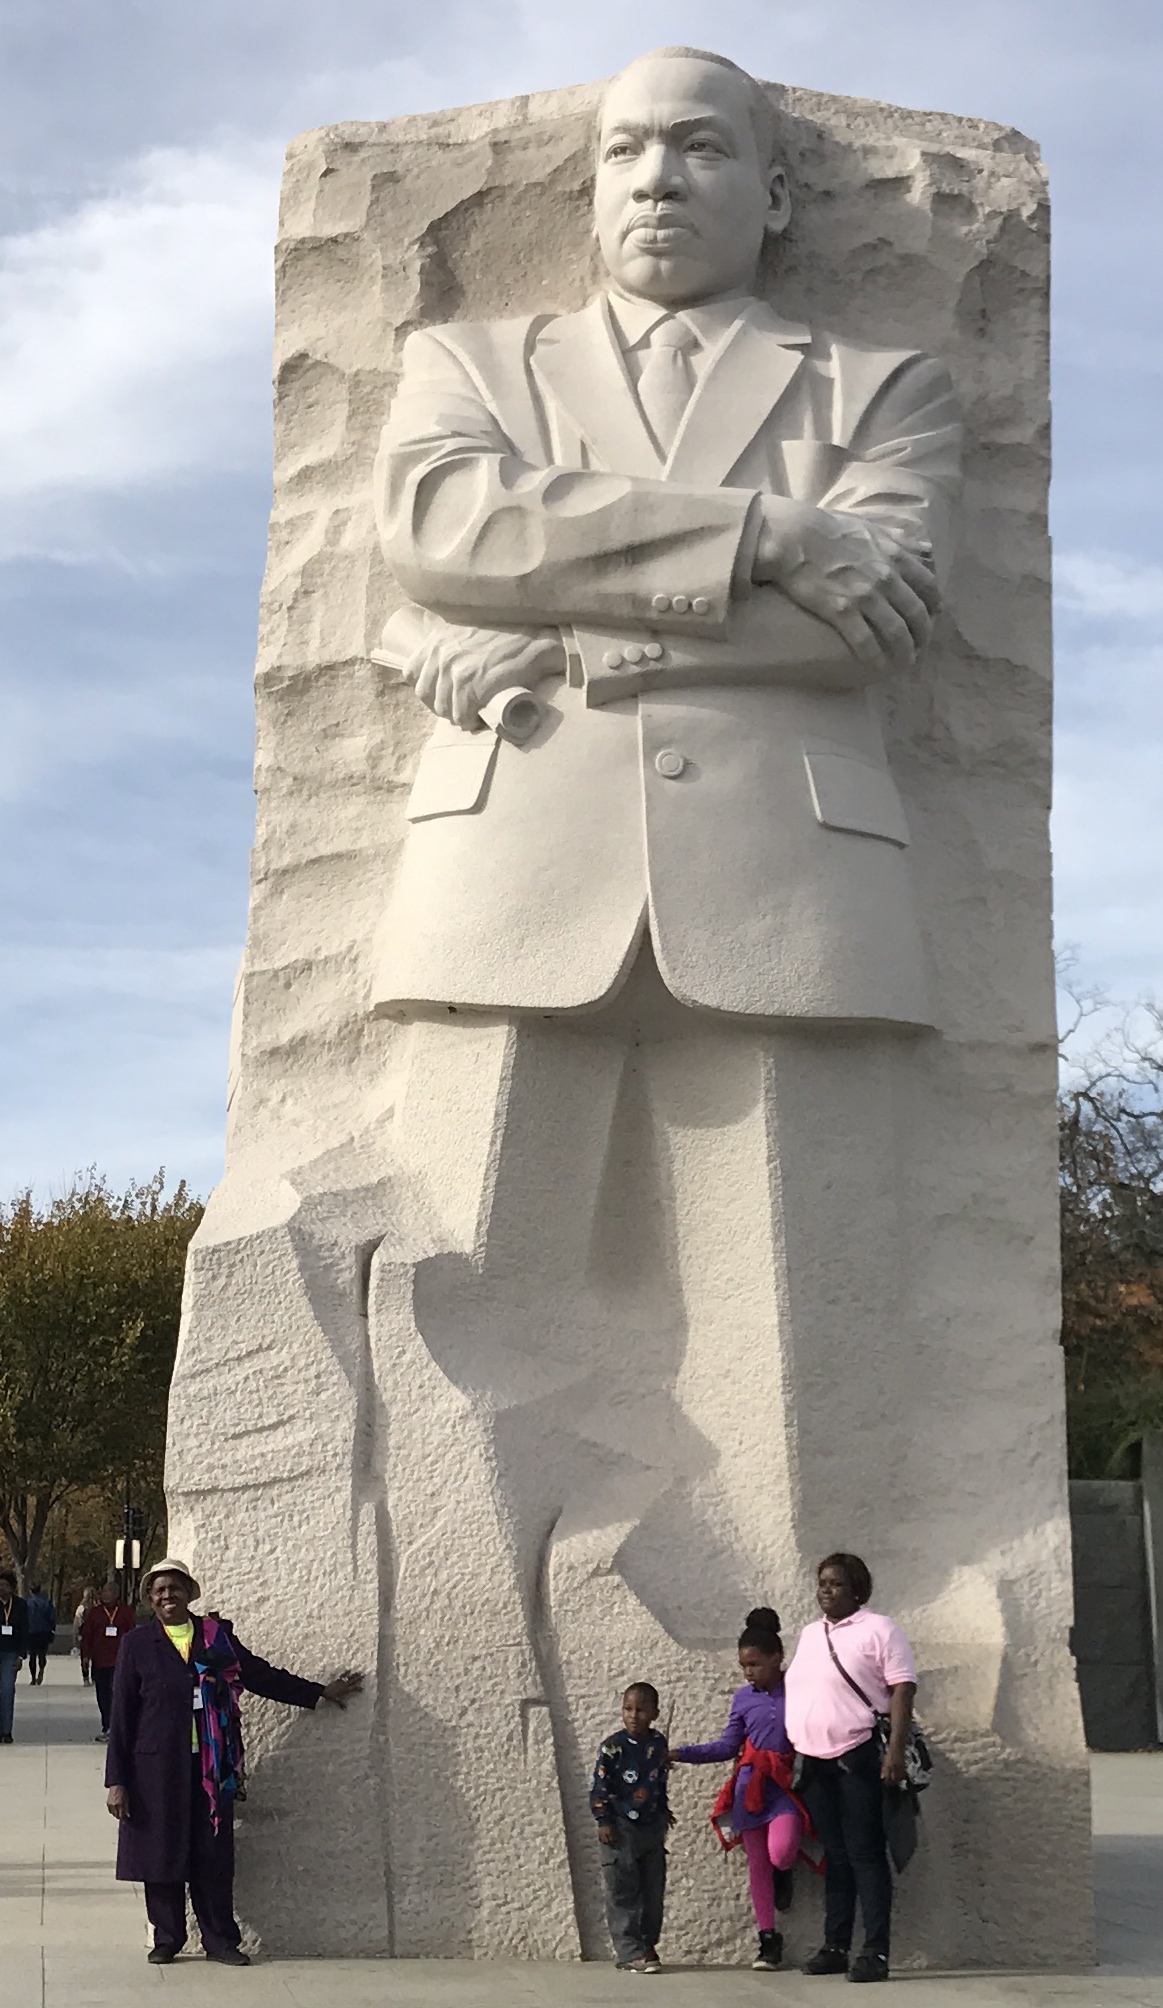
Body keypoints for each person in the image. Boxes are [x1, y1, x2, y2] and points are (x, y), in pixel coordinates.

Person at [105, 1559, 363, 1966]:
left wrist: (317, 1693)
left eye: (174, 1587)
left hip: (211, 1768)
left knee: (212, 1855)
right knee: (160, 1852)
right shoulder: (137, 1644)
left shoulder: (214, 1637)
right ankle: (167, 1938)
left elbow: (259, 1675)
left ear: (189, 1593)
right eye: (159, 1590)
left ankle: (221, 1941)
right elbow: (122, 1715)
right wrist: (117, 1780)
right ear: (150, 1600)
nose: (167, 1595)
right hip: (155, 1768)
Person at [783, 1553, 917, 1984]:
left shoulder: (880, 1629)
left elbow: (902, 1689)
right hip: (814, 1762)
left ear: (857, 1590)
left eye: (837, 1583)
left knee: (865, 1853)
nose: (826, 1590)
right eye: (822, 1582)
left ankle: (875, 1951)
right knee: (835, 1855)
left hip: (857, 1756)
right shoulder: (810, 1633)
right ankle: (836, 1946)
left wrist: (895, 1751)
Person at [672, 1607, 805, 1972]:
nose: (748, 1672)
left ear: (777, 1658)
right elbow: (727, 1746)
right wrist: (680, 1753)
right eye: (744, 1666)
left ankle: (785, 1871)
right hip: (751, 1790)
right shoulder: (743, 1699)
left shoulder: (799, 1689)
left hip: (785, 1787)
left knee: (781, 1853)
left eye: (755, 1664)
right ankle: (768, 1940)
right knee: (757, 1864)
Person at [590, 1681, 671, 1974]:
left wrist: (663, 1817)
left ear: (655, 1713)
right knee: (623, 1890)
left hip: (651, 1828)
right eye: (628, 1709)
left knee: (652, 1890)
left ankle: (646, 1945)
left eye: (641, 1710)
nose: (634, 1716)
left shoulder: (658, 1743)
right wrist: (603, 1820)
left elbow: (659, 1783)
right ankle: (629, 1951)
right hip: (620, 1828)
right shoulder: (612, 1748)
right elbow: (599, 1787)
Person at [81, 1577, 136, 1740]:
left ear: (117, 1594)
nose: (105, 1594)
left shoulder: (126, 1612)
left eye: (109, 1591)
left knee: (117, 1694)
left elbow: (132, 1635)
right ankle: (107, 1726)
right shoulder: (95, 1613)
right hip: (100, 1660)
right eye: (104, 1591)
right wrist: (85, 1656)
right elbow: (87, 1635)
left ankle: (118, 1727)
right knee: (103, 1695)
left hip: (120, 1661)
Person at [0, 1569, 29, 1743]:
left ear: (12, 1588)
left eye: (5, 1585)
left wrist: (21, 1655)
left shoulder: (20, 1605)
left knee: (7, 1691)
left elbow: (24, 1631)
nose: (2, 1588)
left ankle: (6, 1730)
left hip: (10, 1653)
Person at [25, 1584, 57, 1684]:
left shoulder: (27, 1603)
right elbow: (52, 1617)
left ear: (30, 1591)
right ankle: (41, 1670)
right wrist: (52, 1628)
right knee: (42, 1653)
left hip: (31, 1631)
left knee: (32, 1655)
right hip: (44, 1631)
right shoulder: (46, 1602)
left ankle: (33, 1677)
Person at [74, 1586, 97, 1682]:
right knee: (96, 1657)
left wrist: (76, 1635)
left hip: (84, 1634)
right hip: (96, 1634)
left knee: (85, 1656)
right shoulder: (98, 1607)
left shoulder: (81, 1608)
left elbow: (77, 1623)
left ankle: (85, 1677)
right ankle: (94, 1677)